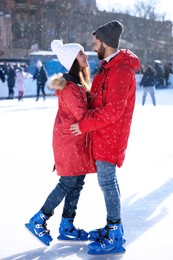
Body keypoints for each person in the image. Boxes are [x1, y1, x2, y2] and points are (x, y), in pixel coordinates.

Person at [70, 20, 140, 255]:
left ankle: (115, 234)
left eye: (95, 42)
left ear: (106, 43)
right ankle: (113, 226)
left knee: (108, 183)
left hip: (110, 135)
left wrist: (84, 125)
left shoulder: (120, 70)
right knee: (109, 183)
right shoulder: (109, 66)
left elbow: (112, 111)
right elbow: (97, 100)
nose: (93, 46)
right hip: (103, 134)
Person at [25, 39, 96, 246]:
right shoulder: (70, 87)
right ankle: (39, 219)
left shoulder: (77, 84)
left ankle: (67, 226)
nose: (85, 56)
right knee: (68, 183)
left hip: (77, 139)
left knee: (78, 182)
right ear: (73, 60)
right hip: (69, 141)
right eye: (81, 53)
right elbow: (82, 115)